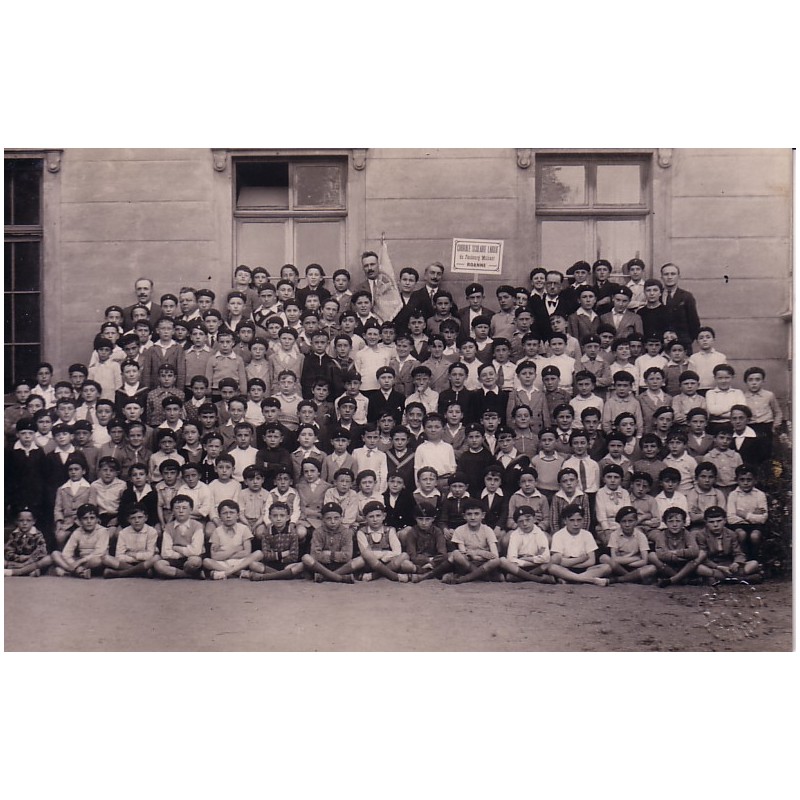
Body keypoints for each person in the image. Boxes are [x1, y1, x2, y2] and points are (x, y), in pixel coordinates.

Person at [695, 506, 762, 583]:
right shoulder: (701, 535)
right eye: (711, 522)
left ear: (725, 521)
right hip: (713, 565)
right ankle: (739, 579)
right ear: (706, 523)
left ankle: (724, 579)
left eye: (719, 521)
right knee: (699, 568)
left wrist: (736, 563)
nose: (716, 525)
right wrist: (718, 567)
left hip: (728, 565)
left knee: (754, 564)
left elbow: (739, 553)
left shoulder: (731, 534)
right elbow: (703, 557)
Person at [547, 504, 611, 586]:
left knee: (607, 567)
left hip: (585, 569)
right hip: (566, 569)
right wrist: (581, 559)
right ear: (565, 521)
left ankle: (572, 579)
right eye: (572, 520)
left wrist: (577, 564)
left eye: (579, 520)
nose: (576, 524)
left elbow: (592, 561)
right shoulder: (558, 535)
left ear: (583, 520)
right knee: (552, 568)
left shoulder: (587, 534)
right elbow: (561, 562)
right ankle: (591, 580)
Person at [443, 499, 501, 584]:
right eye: (469, 514)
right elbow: (463, 553)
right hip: (468, 563)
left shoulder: (488, 530)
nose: (473, 517)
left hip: (484, 563)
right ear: (464, 516)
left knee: (496, 561)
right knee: (456, 554)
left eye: (476, 514)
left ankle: (463, 579)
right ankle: (481, 576)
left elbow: (495, 555)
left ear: (483, 515)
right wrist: (478, 554)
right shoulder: (460, 530)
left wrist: (476, 554)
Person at [355, 500, 412, 582]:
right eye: (371, 517)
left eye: (378, 516)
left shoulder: (390, 530)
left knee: (404, 556)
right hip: (370, 563)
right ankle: (393, 575)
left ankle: (374, 575)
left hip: (388, 562)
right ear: (365, 518)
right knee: (363, 558)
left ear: (384, 516)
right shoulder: (362, 532)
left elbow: (397, 551)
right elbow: (366, 553)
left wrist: (383, 558)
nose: (375, 519)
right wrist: (385, 554)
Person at [300, 502, 357, 583]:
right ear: (323, 519)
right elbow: (315, 555)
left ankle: (324, 577)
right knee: (306, 558)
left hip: (341, 566)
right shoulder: (318, 532)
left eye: (336, 518)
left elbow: (347, 555)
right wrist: (337, 555)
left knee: (359, 561)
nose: (333, 521)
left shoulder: (346, 532)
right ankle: (340, 578)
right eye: (329, 518)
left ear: (341, 518)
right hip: (322, 566)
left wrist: (331, 555)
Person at [649, 507, 705, 587]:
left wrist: (675, 552)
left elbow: (694, 551)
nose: (674, 525)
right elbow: (661, 554)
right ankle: (682, 579)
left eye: (678, 521)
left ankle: (673, 580)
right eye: (670, 521)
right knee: (652, 556)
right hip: (668, 566)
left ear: (684, 522)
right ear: (665, 523)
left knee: (702, 553)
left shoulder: (686, 534)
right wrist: (683, 555)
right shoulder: (662, 535)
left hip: (685, 566)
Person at [600, 506, 657, 584]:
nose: (627, 524)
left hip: (635, 567)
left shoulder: (640, 536)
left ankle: (620, 579)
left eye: (630, 521)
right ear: (619, 523)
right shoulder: (614, 535)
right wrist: (636, 558)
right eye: (624, 521)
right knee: (604, 558)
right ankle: (633, 578)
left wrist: (629, 563)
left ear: (636, 521)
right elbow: (614, 559)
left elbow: (644, 561)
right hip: (619, 567)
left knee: (652, 568)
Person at [51, 502, 110, 578]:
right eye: (85, 518)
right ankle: (78, 571)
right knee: (55, 554)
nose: (89, 521)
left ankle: (70, 571)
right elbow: (66, 553)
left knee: (98, 560)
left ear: (97, 520)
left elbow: (99, 552)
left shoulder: (103, 531)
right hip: (80, 562)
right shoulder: (77, 532)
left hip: (93, 562)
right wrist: (75, 564)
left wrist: (79, 562)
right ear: (79, 521)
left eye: (92, 518)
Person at [102, 504, 159, 578]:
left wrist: (133, 554)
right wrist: (137, 557)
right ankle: (142, 572)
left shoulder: (152, 531)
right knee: (106, 558)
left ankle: (120, 574)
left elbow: (150, 555)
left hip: (144, 562)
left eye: (140, 517)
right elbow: (119, 556)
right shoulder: (123, 533)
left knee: (156, 558)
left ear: (146, 518)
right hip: (128, 563)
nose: (137, 521)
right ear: (128, 520)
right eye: (133, 518)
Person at [726, 464, 768, 559]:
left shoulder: (760, 494)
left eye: (749, 480)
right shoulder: (733, 495)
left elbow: (763, 518)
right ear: (737, 480)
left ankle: (755, 558)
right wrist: (753, 515)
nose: (745, 483)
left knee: (755, 536)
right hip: (738, 525)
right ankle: (741, 557)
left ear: (755, 480)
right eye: (742, 480)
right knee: (741, 534)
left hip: (756, 525)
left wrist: (744, 515)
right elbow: (731, 518)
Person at [404, 502, 451, 582]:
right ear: (415, 518)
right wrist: (428, 560)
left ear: (433, 519)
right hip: (419, 563)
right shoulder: (412, 532)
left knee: (450, 556)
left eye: (428, 519)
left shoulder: (437, 531)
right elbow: (412, 555)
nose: (424, 523)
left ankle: (424, 573)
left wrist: (432, 563)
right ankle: (432, 572)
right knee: (405, 565)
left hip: (435, 562)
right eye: (420, 519)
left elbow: (442, 553)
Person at [659, 263, 701, 351]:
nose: (669, 277)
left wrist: (685, 341)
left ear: (679, 276)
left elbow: (694, 323)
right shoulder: (657, 295)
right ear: (661, 277)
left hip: (682, 345)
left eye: (673, 274)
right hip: (661, 346)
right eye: (666, 274)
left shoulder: (687, 296)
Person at [4, 507, 52, 577]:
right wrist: (19, 558)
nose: (24, 523)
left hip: (32, 562)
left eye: (28, 520)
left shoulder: (37, 534)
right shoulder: (14, 534)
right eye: (21, 521)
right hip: (16, 562)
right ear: (16, 522)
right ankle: (27, 571)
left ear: (34, 522)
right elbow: (8, 551)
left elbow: (41, 551)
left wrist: (29, 559)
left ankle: (18, 571)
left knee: (48, 559)